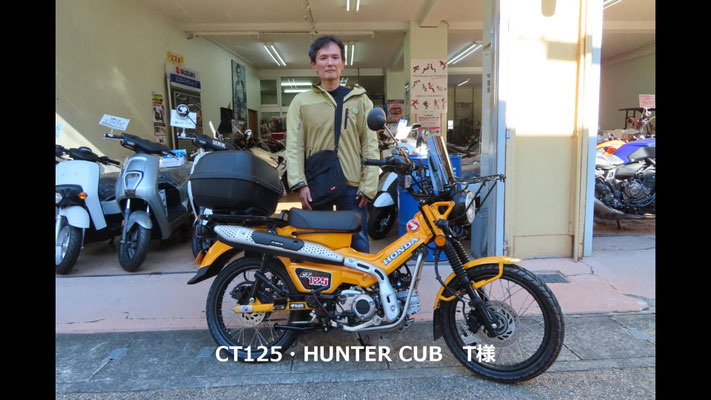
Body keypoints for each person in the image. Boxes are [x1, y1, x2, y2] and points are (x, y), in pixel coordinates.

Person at [285, 35, 379, 253]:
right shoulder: (301, 102)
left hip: (353, 187)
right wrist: (299, 184)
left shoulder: (360, 99)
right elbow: (294, 146)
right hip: (316, 184)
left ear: (343, 63)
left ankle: (358, 277)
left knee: (357, 242)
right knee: (318, 243)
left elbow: (370, 145)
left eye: (335, 58)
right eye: (323, 58)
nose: (330, 63)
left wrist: (368, 187)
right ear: (314, 64)